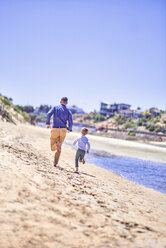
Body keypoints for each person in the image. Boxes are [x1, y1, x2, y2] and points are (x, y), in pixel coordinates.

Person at [46, 97, 73, 167]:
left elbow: (49, 114)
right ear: (66, 103)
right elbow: (70, 121)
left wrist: (48, 123)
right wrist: (69, 129)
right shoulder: (68, 110)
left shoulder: (55, 107)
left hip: (55, 129)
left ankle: (56, 145)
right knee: (59, 147)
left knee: (52, 147)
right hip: (64, 130)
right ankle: (55, 163)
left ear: (60, 101)